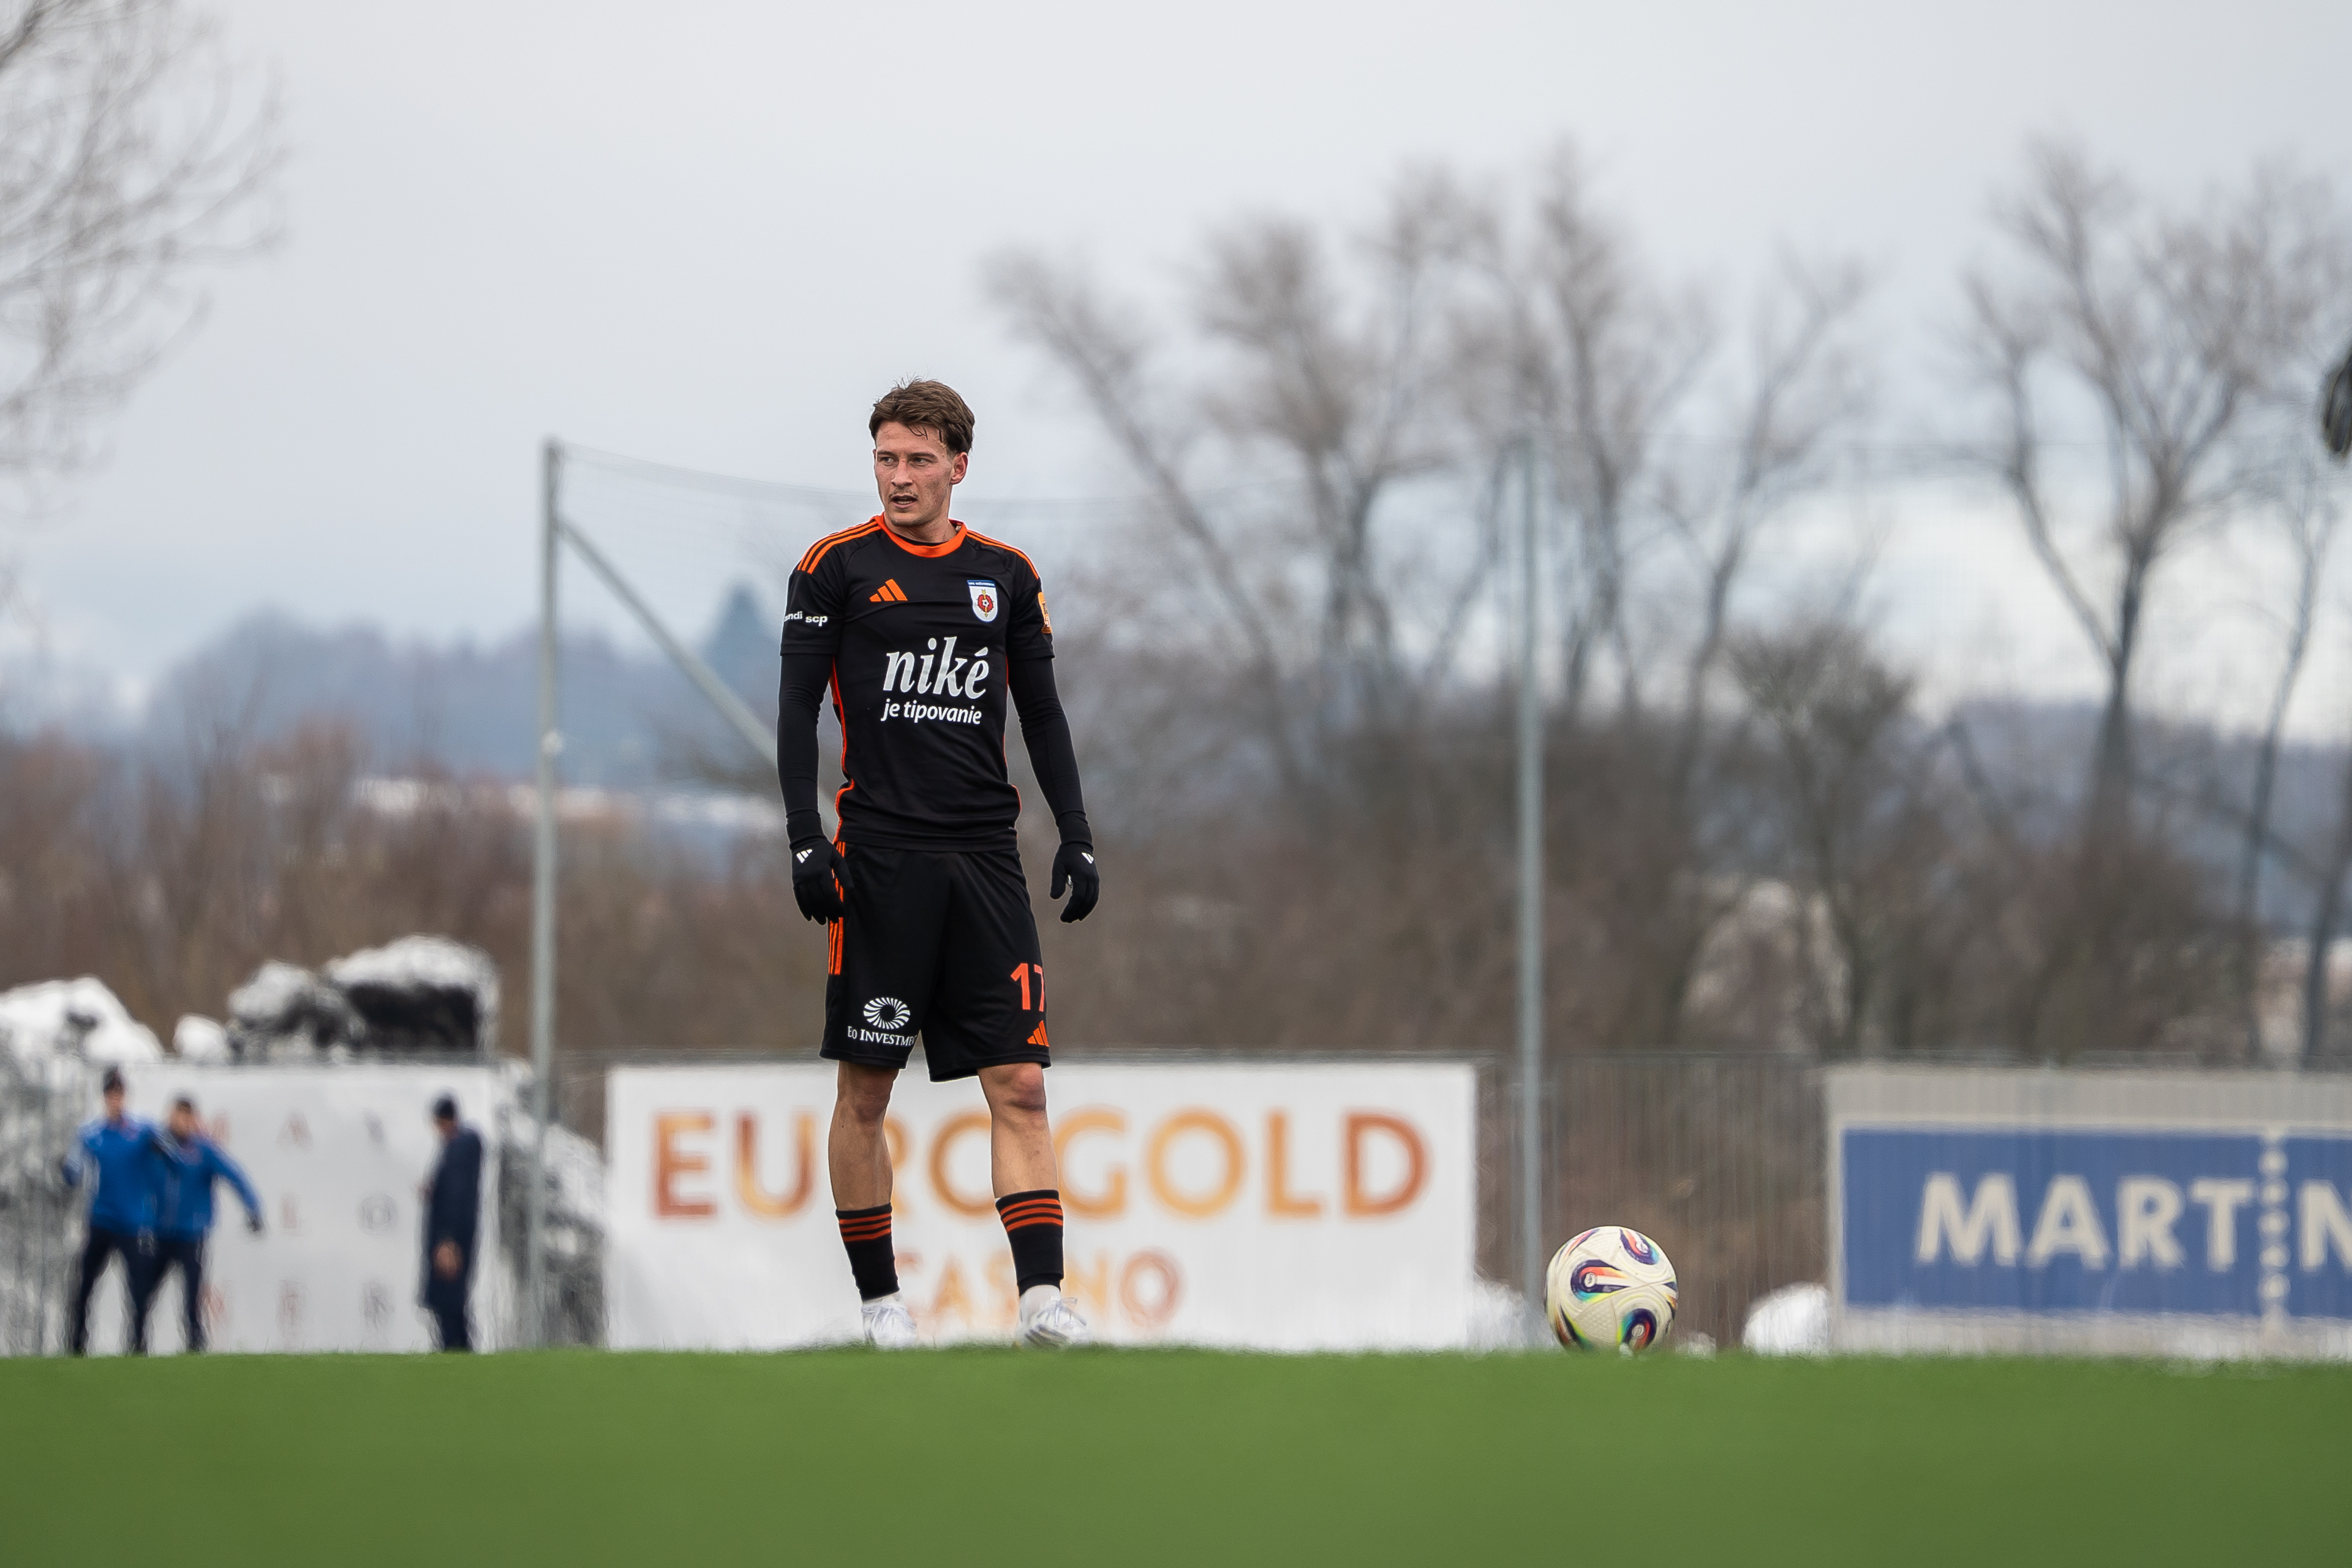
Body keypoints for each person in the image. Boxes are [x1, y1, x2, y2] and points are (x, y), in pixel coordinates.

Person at [778, 380, 1099, 1349]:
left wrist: (1076, 831)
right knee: (866, 1092)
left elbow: (1042, 713)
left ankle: (1041, 1302)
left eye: (919, 460)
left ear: (959, 466)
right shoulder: (834, 568)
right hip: (881, 864)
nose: (900, 476)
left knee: (1023, 1086)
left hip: (986, 864)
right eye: (887, 458)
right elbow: (796, 713)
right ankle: (882, 1306)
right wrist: (804, 838)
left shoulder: (1006, 575)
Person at [59, 1068, 173, 1355]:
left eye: (119, 1094)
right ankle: (76, 1344)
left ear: (125, 1097)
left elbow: (172, 1152)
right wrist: (66, 1171)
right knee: (85, 1284)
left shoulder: (142, 1130)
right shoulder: (91, 1133)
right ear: (105, 1097)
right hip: (102, 1219)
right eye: (111, 1095)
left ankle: (138, 1344)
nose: (115, 1100)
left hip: (133, 1223)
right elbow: (74, 1168)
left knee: (138, 1288)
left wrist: (162, 1149)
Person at [149, 1095, 263, 1353]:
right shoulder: (155, 1146)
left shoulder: (204, 1150)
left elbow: (235, 1176)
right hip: (161, 1233)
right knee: (144, 1292)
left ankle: (195, 1346)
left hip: (192, 1235)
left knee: (192, 1296)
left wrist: (253, 1208)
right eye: (177, 1116)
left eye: (186, 1117)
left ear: (193, 1119)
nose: (181, 1122)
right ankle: (136, 1346)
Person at [420, 1094, 483, 1351]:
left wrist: (448, 1239)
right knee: (451, 1304)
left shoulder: (459, 1150)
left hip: (451, 1240)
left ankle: (456, 1353)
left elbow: (456, 1197)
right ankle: (457, 1354)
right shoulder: (457, 1149)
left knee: (450, 1304)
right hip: (454, 1237)